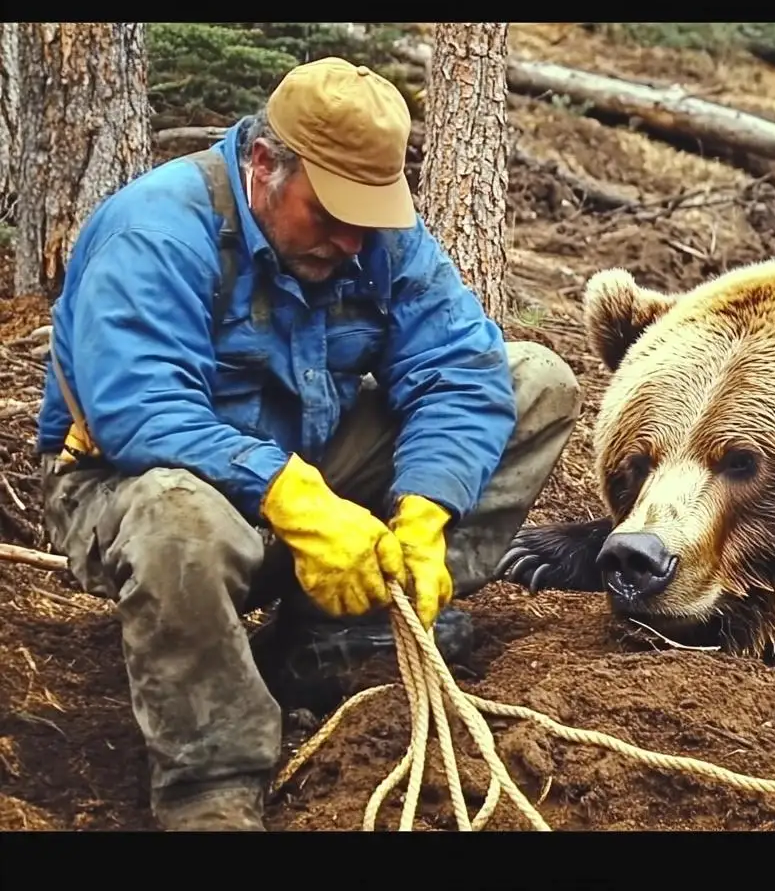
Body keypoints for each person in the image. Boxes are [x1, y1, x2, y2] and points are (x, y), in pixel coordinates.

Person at [37, 58, 578, 831]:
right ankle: (210, 777)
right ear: (264, 165)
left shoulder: (374, 241)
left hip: (307, 473)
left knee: (536, 381)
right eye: (329, 213)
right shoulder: (154, 231)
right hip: (136, 487)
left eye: (370, 216)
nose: (351, 239)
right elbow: (140, 411)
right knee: (176, 511)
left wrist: (425, 511)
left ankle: (337, 629)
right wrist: (291, 494)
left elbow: (462, 370)